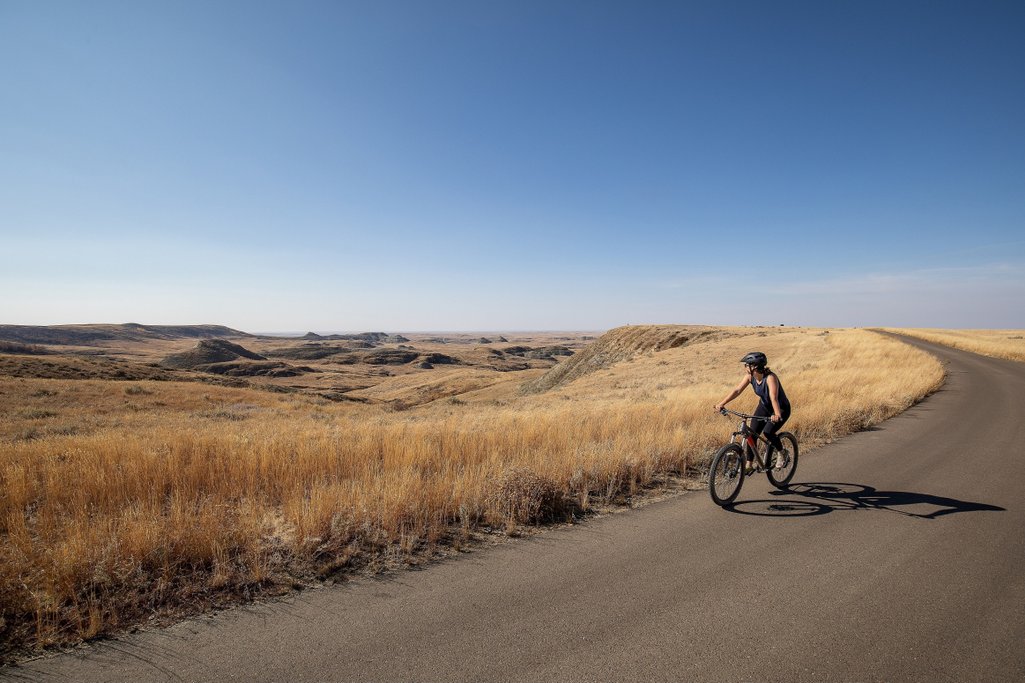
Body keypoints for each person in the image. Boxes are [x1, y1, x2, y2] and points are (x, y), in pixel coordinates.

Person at [714, 351, 792, 470]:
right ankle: (749, 464)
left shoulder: (770, 378)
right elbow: (737, 390)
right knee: (751, 433)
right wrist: (722, 403)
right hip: (765, 406)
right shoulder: (750, 377)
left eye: (747, 365)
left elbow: (773, 397)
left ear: (754, 366)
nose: (745, 367)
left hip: (780, 408)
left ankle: (782, 453)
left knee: (768, 432)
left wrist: (776, 414)